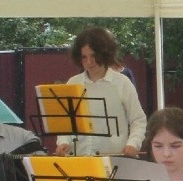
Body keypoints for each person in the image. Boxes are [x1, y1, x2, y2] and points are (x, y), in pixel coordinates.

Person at [58, 26, 146, 157]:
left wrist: (133, 144)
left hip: (114, 159)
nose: (89, 62)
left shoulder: (122, 83)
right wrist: (63, 141)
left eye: (94, 56)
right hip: (79, 158)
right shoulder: (73, 83)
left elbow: (138, 120)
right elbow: (66, 123)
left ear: (105, 54)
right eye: (84, 57)